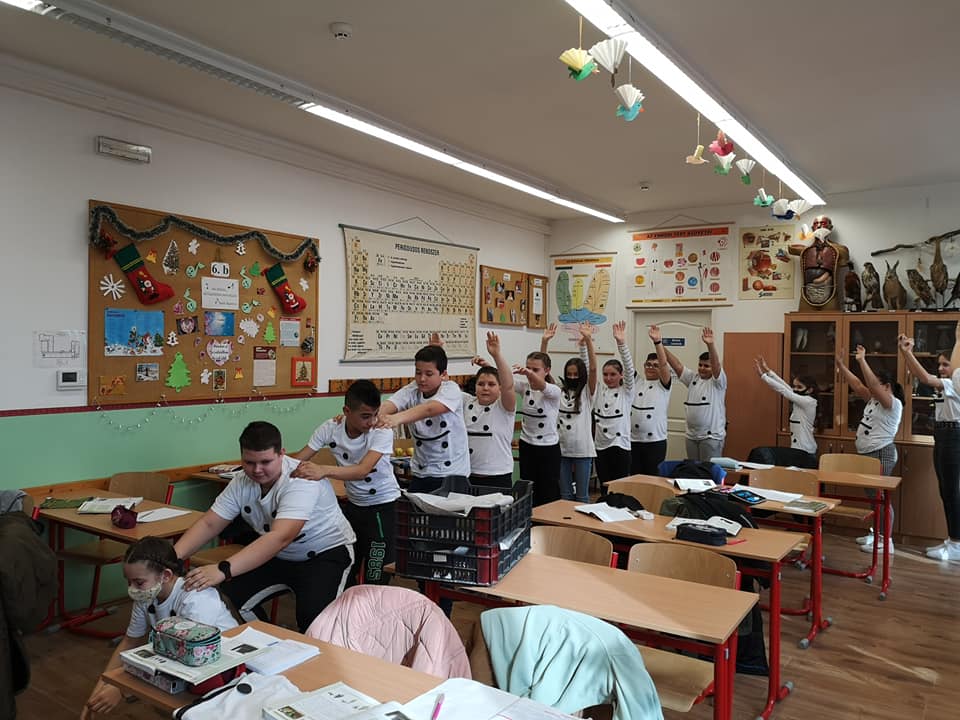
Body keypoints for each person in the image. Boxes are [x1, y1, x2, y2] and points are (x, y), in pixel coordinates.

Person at [174, 421, 356, 632]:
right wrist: (170, 558)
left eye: (265, 462)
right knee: (229, 599)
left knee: (314, 621)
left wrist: (223, 569)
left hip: (325, 553)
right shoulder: (241, 481)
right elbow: (209, 523)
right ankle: (267, 643)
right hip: (280, 556)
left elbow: (280, 537)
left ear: (282, 454)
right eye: (249, 462)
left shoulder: (301, 479)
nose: (257, 470)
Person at [81, 537, 237, 719]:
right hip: (183, 664)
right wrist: (101, 686)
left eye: (139, 582)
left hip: (224, 669)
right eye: (128, 582)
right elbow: (130, 642)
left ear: (166, 576)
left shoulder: (195, 597)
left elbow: (184, 656)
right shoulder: (145, 596)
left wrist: (121, 687)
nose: (132, 589)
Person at [291, 379, 399, 585]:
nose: (372, 421)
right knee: (347, 563)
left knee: (376, 568)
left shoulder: (382, 431)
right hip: (354, 505)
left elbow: (362, 470)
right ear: (347, 411)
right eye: (365, 416)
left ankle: (373, 603)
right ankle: (347, 602)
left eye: (375, 414)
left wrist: (323, 470)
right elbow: (298, 459)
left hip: (383, 507)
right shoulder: (331, 427)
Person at [899, 328, 960, 560]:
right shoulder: (949, 383)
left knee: (952, 491)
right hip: (943, 434)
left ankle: (956, 544)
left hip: (953, 435)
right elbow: (925, 377)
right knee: (946, 490)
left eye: (946, 364)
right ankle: (953, 540)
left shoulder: (955, 383)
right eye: (940, 364)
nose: (941, 368)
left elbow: (924, 378)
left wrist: (907, 354)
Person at [835, 345, 904, 554]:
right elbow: (857, 384)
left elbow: (871, 384)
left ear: (887, 386)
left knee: (881, 498)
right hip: (868, 453)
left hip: (881, 452)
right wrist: (841, 366)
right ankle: (877, 533)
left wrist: (862, 360)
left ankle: (886, 541)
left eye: (877, 384)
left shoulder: (893, 404)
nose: (872, 387)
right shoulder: (874, 399)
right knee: (874, 498)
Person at [376, 344, 470, 493]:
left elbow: (430, 409)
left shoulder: (451, 389)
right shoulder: (412, 389)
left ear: (443, 374)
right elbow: (390, 404)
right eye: (418, 372)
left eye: (429, 374)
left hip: (452, 473)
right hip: (421, 471)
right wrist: (369, 416)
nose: (422, 379)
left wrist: (396, 419)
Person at [542, 322, 597, 502]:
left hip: (583, 451)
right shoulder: (558, 391)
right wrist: (544, 342)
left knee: (582, 496)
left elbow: (592, 369)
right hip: (561, 449)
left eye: (576, 374)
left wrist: (587, 341)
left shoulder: (587, 393)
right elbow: (542, 375)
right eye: (569, 374)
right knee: (565, 495)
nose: (572, 377)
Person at [663, 327, 727, 462]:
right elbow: (677, 366)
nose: (702, 368)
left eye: (706, 366)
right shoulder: (693, 379)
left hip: (711, 438)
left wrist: (710, 345)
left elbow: (716, 365)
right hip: (691, 437)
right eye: (700, 365)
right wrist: (659, 345)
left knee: (708, 471)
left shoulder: (718, 383)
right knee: (693, 470)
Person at [464, 331, 517, 488]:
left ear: (499, 387)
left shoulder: (504, 406)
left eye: (491, 384)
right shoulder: (466, 401)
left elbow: (508, 385)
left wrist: (496, 355)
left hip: (497, 475)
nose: (485, 388)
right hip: (468, 473)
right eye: (481, 384)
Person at [514, 341, 562, 506]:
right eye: (528, 368)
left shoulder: (554, 391)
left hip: (548, 448)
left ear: (547, 370)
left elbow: (542, 386)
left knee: (548, 490)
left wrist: (529, 373)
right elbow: (504, 379)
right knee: (528, 488)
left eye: (535, 370)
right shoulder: (524, 387)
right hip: (527, 445)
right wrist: (488, 364)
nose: (530, 373)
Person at [754, 355, 819, 466]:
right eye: (795, 386)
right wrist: (768, 371)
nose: (795, 389)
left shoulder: (808, 402)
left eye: (799, 387)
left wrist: (763, 376)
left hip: (805, 451)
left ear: (810, 390)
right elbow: (786, 387)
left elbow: (784, 390)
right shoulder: (802, 399)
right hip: (798, 449)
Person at [592, 320, 635, 483]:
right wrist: (585, 344)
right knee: (604, 483)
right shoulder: (598, 391)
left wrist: (621, 343)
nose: (608, 378)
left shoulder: (626, 392)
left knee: (620, 485)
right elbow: (590, 370)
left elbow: (629, 369)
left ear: (621, 375)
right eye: (605, 374)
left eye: (613, 374)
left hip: (620, 445)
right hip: (601, 444)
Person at [631, 324, 673, 476]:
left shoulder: (663, 385)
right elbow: (627, 364)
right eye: (648, 364)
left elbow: (664, 364)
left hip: (655, 442)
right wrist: (620, 342)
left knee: (652, 478)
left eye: (655, 366)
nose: (651, 367)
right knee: (634, 478)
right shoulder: (637, 382)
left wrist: (657, 342)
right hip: (634, 440)